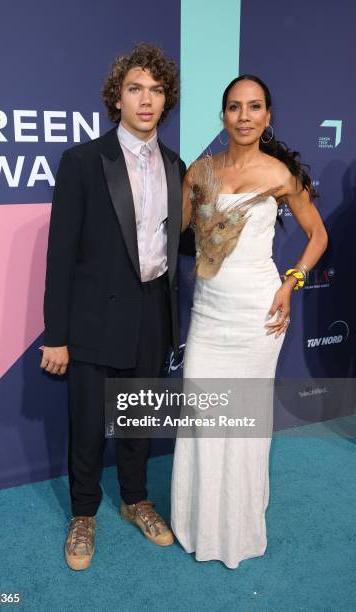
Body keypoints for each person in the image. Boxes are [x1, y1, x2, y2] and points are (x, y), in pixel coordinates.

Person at [171, 75, 328, 569]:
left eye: (254, 107)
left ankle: (236, 526)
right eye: (235, 107)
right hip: (209, 312)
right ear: (223, 116)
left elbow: (317, 235)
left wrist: (291, 281)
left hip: (258, 313)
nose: (244, 116)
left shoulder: (282, 175)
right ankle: (198, 521)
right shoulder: (199, 172)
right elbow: (171, 235)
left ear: (268, 116)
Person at [41, 43, 186, 570]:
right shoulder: (82, 161)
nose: (146, 100)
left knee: (140, 415)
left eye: (155, 90)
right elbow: (60, 254)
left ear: (165, 100)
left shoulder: (176, 164)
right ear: (116, 97)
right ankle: (83, 514)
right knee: (86, 421)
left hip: (153, 309)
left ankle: (134, 499)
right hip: (94, 314)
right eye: (135, 89)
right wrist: (55, 334)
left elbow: (177, 242)